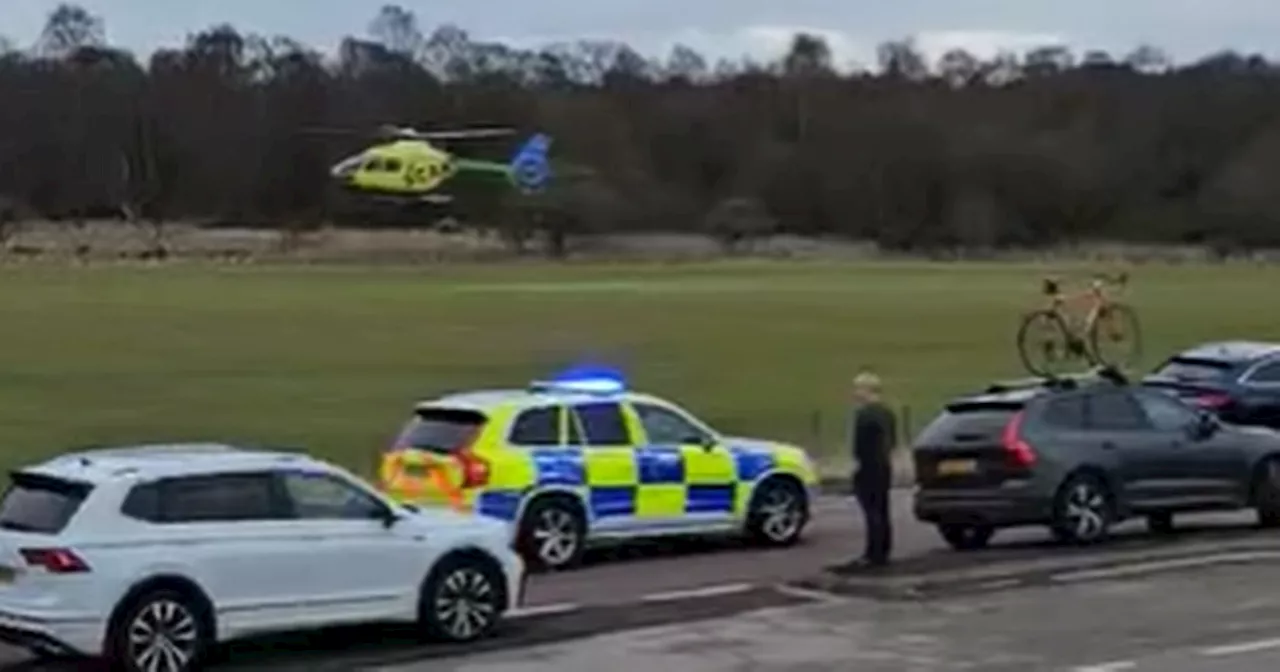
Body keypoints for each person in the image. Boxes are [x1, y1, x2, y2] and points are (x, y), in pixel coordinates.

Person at [830, 370, 897, 573]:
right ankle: (882, 551)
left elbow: (861, 446)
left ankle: (873, 554)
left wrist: (858, 467)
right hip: (884, 465)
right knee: (882, 510)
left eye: (858, 388)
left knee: (872, 512)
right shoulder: (887, 413)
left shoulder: (865, 414)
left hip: (870, 467)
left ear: (867, 390)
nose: (855, 393)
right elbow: (891, 441)